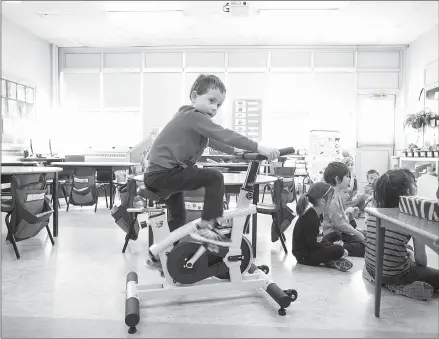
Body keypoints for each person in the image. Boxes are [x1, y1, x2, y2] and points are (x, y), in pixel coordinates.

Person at [145, 74, 279, 263]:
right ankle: (208, 227)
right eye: (211, 100)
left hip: (159, 175)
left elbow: (215, 141)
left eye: (219, 105)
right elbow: (224, 135)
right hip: (164, 174)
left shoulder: (191, 120)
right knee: (214, 177)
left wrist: (236, 152)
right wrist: (258, 147)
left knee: (178, 216)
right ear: (194, 96)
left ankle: (168, 256)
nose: (215, 108)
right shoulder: (193, 116)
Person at [364, 168, 439, 298]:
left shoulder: (375, 211)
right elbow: (422, 262)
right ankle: (399, 286)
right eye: (415, 184)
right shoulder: (412, 218)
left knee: (406, 250)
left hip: (371, 268)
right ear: (410, 191)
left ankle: (382, 281)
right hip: (394, 275)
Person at [292, 182, 353, 272]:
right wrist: (333, 246)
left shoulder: (318, 214)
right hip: (304, 256)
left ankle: (330, 259)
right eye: (332, 198)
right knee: (339, 249)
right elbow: (313, 245)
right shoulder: (310, 218)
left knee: (336, 235)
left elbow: (319, 237)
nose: (333, 201)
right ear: (322, 201)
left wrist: (330, 245)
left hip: (312, 246)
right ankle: (329, 260)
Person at [322, 162, 366, 257]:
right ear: (337, 179)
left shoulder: (336, 194)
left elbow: (340, 219)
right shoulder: (332, 199)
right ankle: (334, 248)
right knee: (366, 246)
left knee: (367, 238)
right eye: (347, 176)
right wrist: (356, 233)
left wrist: (349, 214)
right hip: (334, 236)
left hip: (340, 233)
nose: (349, 179)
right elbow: (339, 224)